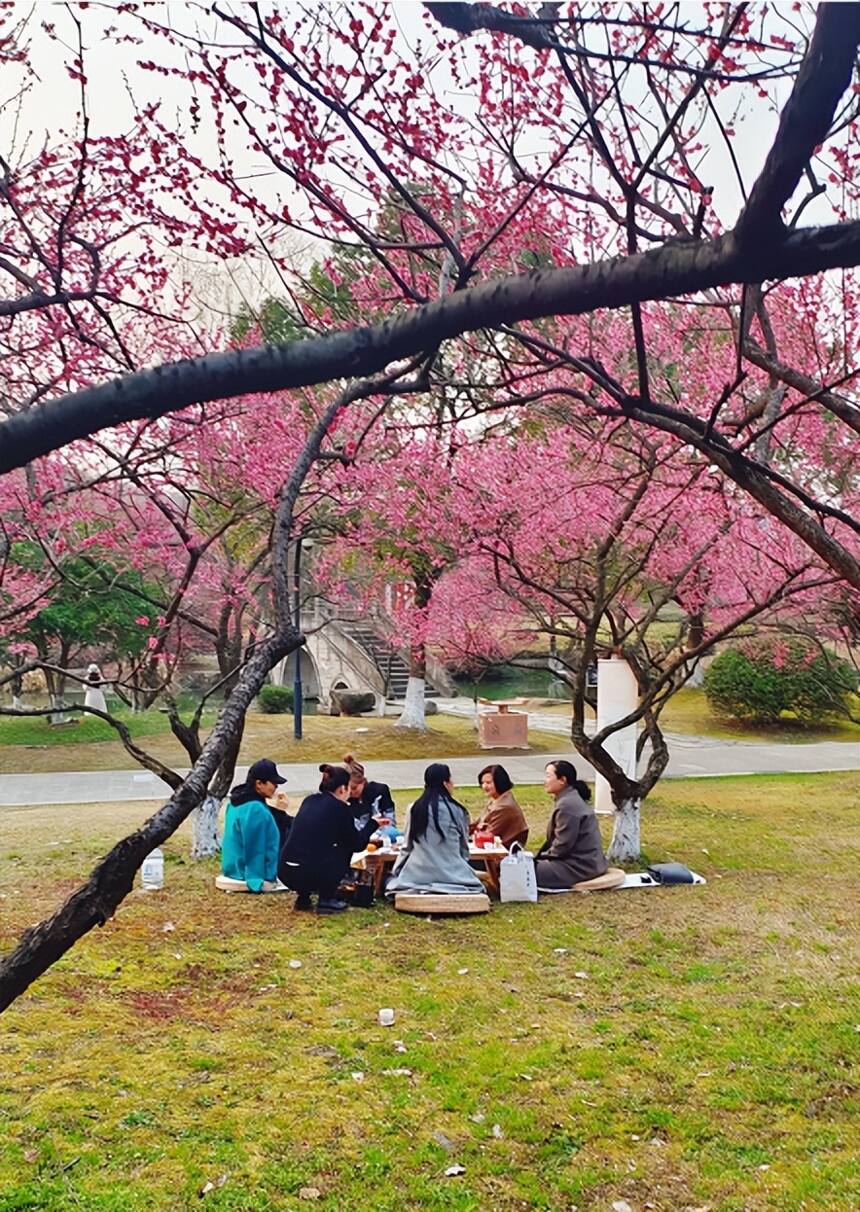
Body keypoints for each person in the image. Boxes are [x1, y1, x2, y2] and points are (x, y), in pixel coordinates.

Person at [282, 764, 387, 914]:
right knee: (343, 848)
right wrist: (373, 824)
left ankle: (303, 897)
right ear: (342, 789)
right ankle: (326, 899)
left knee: (311, 847)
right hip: (309, 873)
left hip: (286, 870)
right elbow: (356, 844)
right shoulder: (340, 808)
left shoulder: (309, 800)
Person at [386, 763, 485, 897]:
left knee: (389, 882)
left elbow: (407, 846)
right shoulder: (458, 811)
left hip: (418, 874)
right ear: (445, 783)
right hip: (453, 873)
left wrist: (396, 870)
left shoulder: (414, 809)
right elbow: (463, 848)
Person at [534, 759, 608, 890]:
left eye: (548, 776)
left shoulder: (567, 805)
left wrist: (539, 858)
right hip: (587, 862)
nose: (544, 781)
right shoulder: (569, 799)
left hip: (579, 866)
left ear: (562, 780)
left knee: (523, 870)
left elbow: (562, 846)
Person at [221, 758, 287, 892]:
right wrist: (257, 880)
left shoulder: (238, 802)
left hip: (233, 867)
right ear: (259, 784)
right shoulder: (255, 809)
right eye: (273, 783)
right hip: (245, 873)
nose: (276, 787)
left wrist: (280, 812)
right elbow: (254, 847)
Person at [471, 764, 529, 848]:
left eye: (488, 783)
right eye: (482, 783)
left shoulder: (503, 807)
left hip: (500, 855)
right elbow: (477, 825)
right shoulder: (497, 800)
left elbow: (486, 836)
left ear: (499, 782)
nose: (484, 786)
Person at [343, 753, 397, 830]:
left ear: (363, 782)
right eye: (346, 788)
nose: (350, 792)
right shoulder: (343, 798)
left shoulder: (380, 791)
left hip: (381, 833)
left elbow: (390, 820)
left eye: (354, 788)